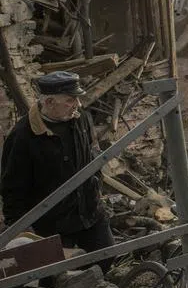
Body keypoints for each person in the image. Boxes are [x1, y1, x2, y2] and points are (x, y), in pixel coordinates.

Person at [1, 71, 113, 269]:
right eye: (70, 100)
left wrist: (97, 188)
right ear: (50, 102)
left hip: (90, 211)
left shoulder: (81, 119)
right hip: (52, 224)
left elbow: (93, 156)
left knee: (106, 258)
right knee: (57, 276)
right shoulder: (22, 137)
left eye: (77, 99)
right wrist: (22, 231)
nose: (77, 105)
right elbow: (12, 189)